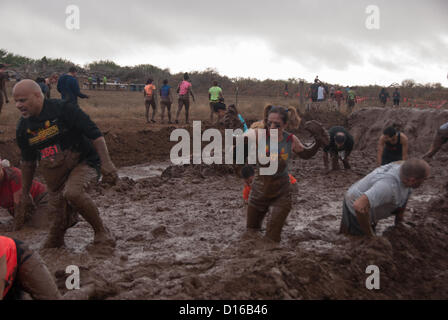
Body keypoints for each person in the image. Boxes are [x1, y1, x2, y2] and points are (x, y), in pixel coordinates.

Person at [14, 80, 117, 248]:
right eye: (16, 101)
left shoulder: (63, 109)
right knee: (56, 223)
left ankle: (101, 232)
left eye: (23, 100)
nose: (19, 105)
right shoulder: (23, 128)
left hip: (84, 161)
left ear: (38, 96)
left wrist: (106, 162)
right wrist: (25, 193)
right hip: (55, 173)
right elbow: (28, 163)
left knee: (73, 193)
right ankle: (59, 237)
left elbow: (95, 134)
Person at [244, 106, 329, 243]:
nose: (272, 127)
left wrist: (318, 142)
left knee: (272, 238)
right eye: (269, 123)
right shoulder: (259, 135)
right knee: (251, 231)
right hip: (259, 191)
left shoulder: (290, 139)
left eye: (276, 125)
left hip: (281, 193)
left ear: (285, 125)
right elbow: (245, 136)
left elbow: (306, 153)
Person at [340, 159, 430, 237]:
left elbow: (406, 194)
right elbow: (358, 206)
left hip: (371, 198)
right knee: (356, 240)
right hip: (354, 204)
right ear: (412, 180)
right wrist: (370, 235)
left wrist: (399, 221)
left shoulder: (405, 169)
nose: (424, 182)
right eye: (424, 179)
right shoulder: (387, 187)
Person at [0, 157, 67, 229]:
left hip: (42, 200)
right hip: (24, 209)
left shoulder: (15, 176)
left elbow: (20, 206)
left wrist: (16, 229)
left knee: (38, 226)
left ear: (1, 167)